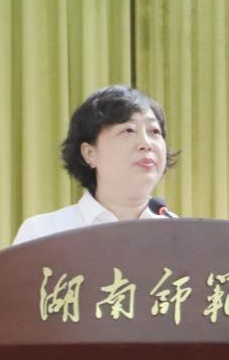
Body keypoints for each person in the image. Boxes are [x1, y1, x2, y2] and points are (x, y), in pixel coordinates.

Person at [13, 85, 178, 245]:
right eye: (128, 130)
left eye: (154, 131)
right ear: (89, 153)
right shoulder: (44, 233)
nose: (146, 144)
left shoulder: (180, 233)